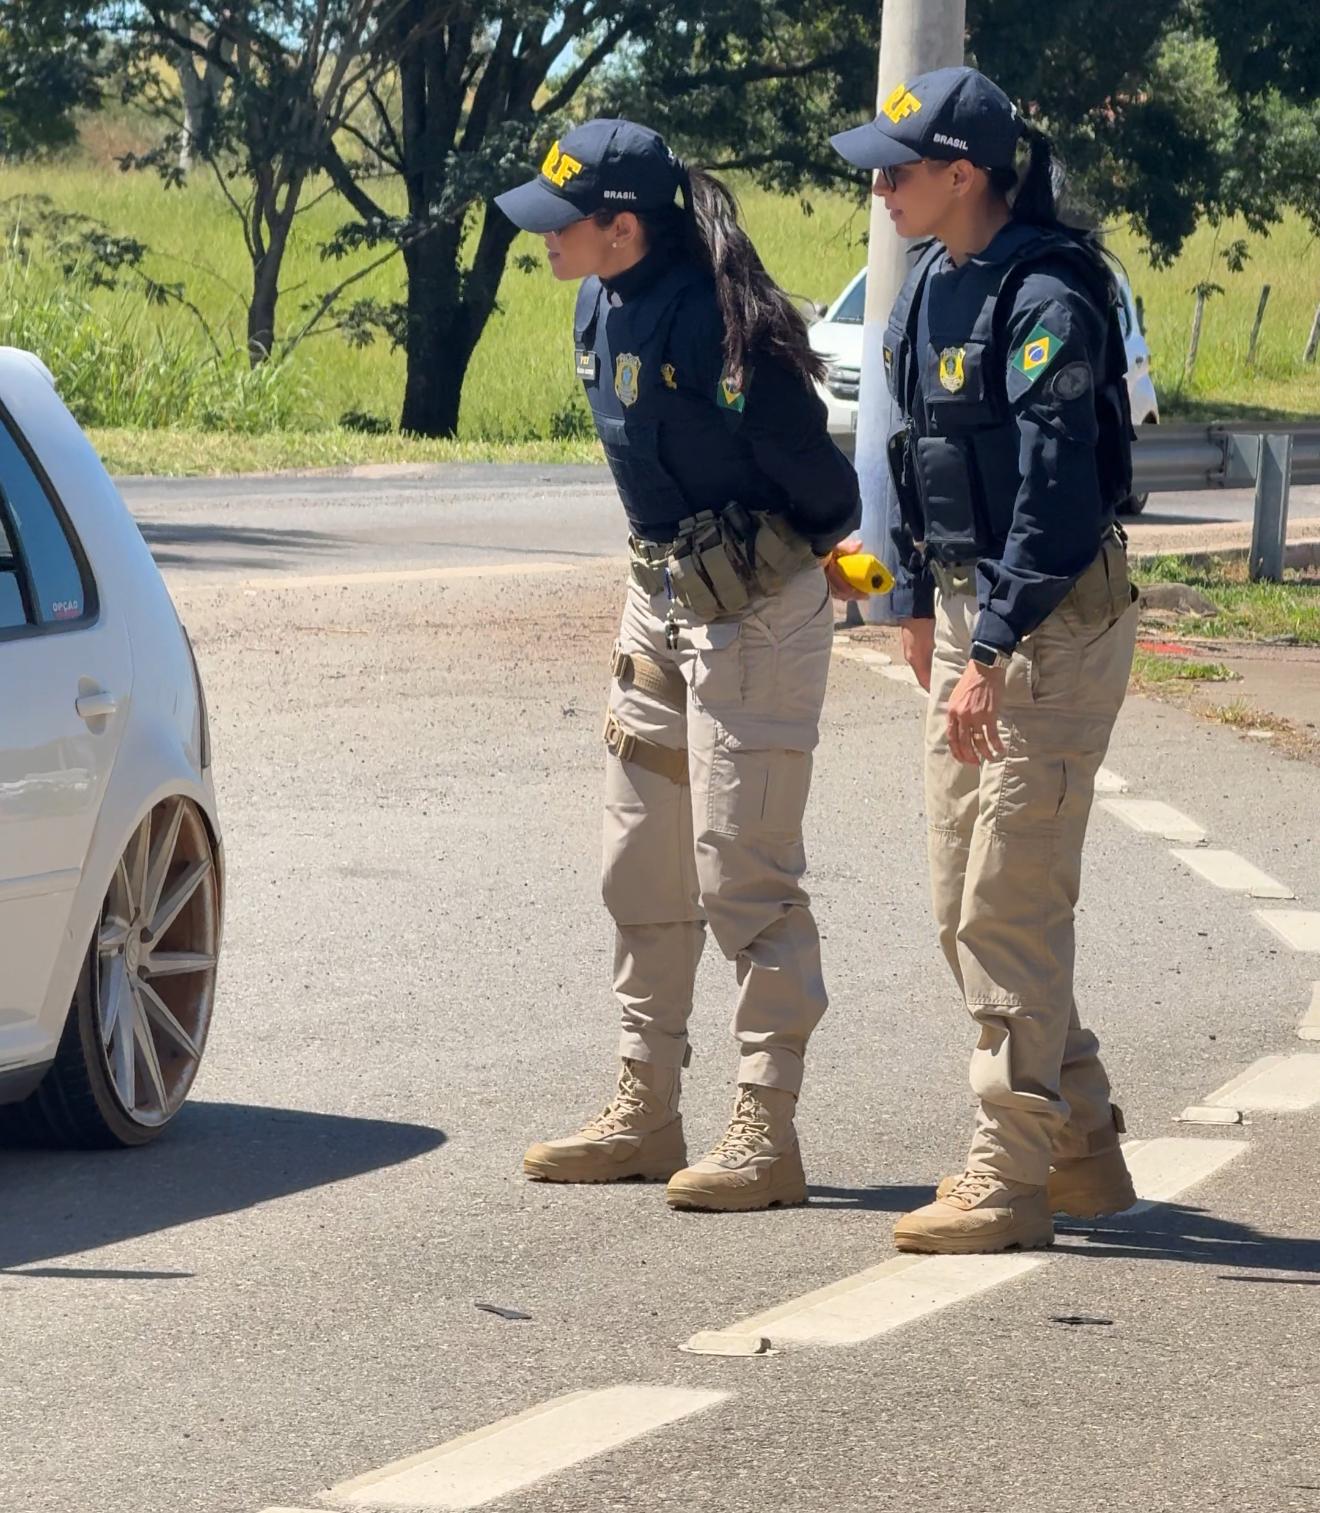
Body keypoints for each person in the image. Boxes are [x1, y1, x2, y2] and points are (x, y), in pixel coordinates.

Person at [495, 119, 863, 1212]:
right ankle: (646, 1108)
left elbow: (824, 488)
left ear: (623, 227)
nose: (544, 239)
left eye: (565, 224)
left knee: (740, 868)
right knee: (641, 862)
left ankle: (765, 1128)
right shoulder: (593, 297)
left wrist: (776, 557)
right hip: (657, 598)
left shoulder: (719, 323)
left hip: (750, 611)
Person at [830, 67, 1140, 1253]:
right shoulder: (924, 290)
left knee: (1007, 905)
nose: (882, 185)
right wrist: (915, 600)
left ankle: (1008, 1179)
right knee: (960, 904)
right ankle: (1085, 1142)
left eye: (899, 167)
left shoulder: (1050, 293)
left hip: (1048, 623)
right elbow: (916, 457)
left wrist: (993, 644)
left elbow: (1058, 497)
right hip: (971, 620)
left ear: (966, 173)